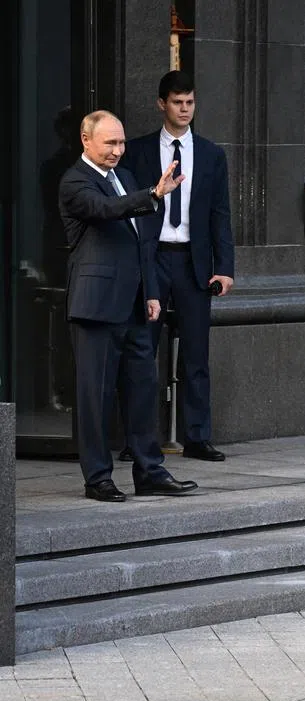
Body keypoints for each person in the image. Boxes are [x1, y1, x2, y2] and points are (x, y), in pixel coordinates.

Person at [58, 109, 198, 502]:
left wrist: (152, 292)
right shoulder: (75, 181)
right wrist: (152, 195)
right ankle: (98, 478)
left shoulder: (125, 179)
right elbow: (105, 212)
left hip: (136, 304)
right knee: (95, 395)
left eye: (121, 143)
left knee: (142, 390)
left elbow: (142, 242)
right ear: (87, 141)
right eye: (110, 143)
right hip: (97, 306)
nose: (118, 150)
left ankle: (149, 470)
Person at [119, 69, 235, 462]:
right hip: (151, 259)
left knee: (196, 354)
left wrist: (225, 267)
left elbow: (221, 214)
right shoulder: (138, 152)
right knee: (140, 350)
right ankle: (137, 440)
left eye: (190, 102)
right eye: (177, 102)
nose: (185, 109)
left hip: (192, 262)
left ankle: (197, 437)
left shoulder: (211, 154)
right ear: (161, 104)